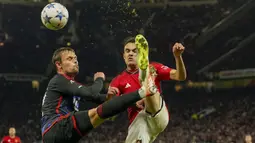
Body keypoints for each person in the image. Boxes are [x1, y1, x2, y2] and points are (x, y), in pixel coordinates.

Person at [41, 47, 157, 143]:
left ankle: (140, 93)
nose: (75, 61)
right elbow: (92, 92)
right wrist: (99, 79)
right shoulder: (59, 80)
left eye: (75, 58)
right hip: (56, 126)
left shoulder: (67, 85)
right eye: (70, 59)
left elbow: (99, 98)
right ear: (59, 65)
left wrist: (132, 104)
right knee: (97, 114)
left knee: (103, 110)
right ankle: (143, 91)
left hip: (59, 135)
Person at [108, 34, 187, 143]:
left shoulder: (154, 67)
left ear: (140, 54)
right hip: (139, 121)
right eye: (127, 51)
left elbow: (180, 76)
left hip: (157, 112)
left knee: (148, 84)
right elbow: (111, 110)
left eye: (135, 51)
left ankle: (145, 77)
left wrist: (178, 57)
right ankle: (145, 80)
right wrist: (112, 98)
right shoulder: (117, 81)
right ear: (124, 56)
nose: (131, 53)